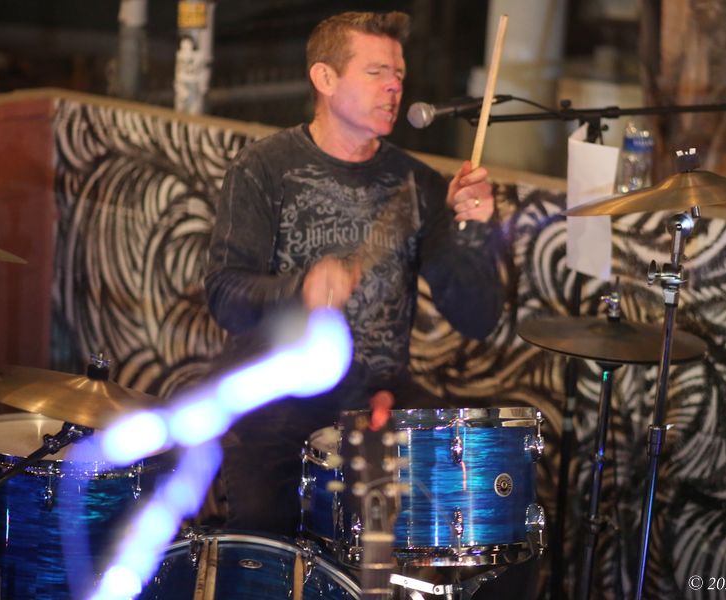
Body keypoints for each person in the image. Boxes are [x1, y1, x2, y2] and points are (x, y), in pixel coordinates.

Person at [204, 11, 503, 538]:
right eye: (376, 72)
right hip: (277, 393)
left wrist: (474, 230)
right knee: (265, 540)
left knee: (486, 510)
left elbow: (477, 317)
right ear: (325, 78)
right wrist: (300, 288)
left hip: (379, 395)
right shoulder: (263, 169)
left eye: (399, 74)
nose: (394, 87)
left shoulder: (418, 185)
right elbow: (225, 295)